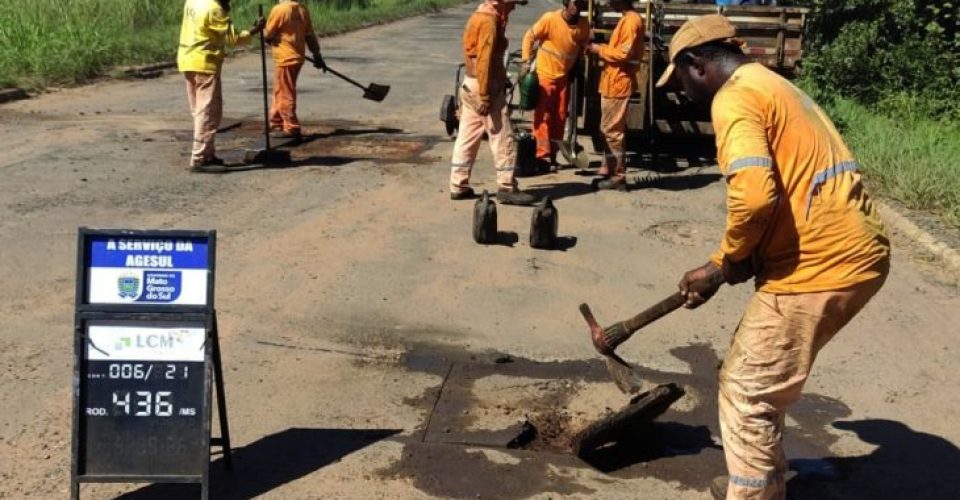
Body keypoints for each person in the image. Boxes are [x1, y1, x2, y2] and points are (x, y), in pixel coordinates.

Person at [657, 14, 890, 500]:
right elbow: (786, 187)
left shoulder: (735, 97)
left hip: (821, 264)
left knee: (746, 391)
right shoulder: (771, 84)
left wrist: (720, 264)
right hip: (852, 253)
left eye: (678, 78)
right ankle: (769, 482)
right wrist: (748, 256)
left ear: (695, 64)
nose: (681, 90)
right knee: (761, 382)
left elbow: (756, 197)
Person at [449, 0, 537, 205]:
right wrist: (487, 95)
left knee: (467, 136)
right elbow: (484, 60)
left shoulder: (479, 15)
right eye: (513, 3)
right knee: (504, 136)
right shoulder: (489, 22)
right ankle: (507, 187)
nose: (514, 8)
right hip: (484, 87)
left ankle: (458, 184)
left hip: (471, 85)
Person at [177, 0, 264, 170]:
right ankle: (199, 158)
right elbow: (235, 39)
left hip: (187, 59)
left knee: (199, 110)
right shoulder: (215, 10)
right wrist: (255, 29)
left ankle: (207, 153)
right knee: (208, 111)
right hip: (204, 63)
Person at [520, 0, 589, 171]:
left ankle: (552, 156)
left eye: (580, 3)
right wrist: (526, 61)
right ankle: (541, 156)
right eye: (574, 2)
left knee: (559, 118)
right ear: (566, 3)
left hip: (563, 78)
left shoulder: (583, 26)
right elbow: (529, 36)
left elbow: (583, 46)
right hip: (545, 76)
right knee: (543, 118)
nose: (577, 6)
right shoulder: (550, 19)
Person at [585, 0, 643, 190]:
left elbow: (622, 54)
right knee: (608, 130)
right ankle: (611, 170)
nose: (609, 4)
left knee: (612, 132)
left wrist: (598, 49)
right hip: (612, 83)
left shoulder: (631, 21)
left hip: (618, 84)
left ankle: (618, 176)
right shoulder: (627, 20)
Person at [264, 0, 326, 140]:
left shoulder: (279, 9)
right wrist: (317, 56)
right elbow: (310, 36)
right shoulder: (302, 9)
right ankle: (276, 122)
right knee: (280, 89)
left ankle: (291, 127)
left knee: (285, 92)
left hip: (286, 58)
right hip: (297, 57)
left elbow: (268, 35)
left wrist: (260, 27)